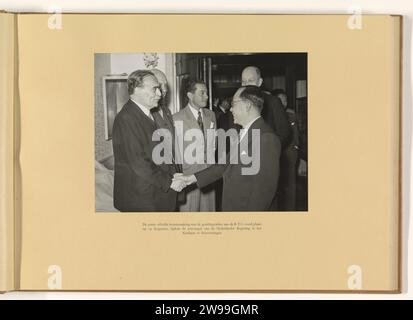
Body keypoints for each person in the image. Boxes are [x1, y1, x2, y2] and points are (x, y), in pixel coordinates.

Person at [174, 86, 281, 211]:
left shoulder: (266, 138)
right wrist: (190, 179)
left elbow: (262, 194)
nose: (230, 109)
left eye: (233, 104)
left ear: (247, 105)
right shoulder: (247, 132)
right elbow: (224, 166)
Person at [112, 70, 185, 212]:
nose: (159, 93)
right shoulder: (126, 118)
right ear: (137, 89)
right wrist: (169, 181)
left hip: (153, 195)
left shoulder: (145, 114)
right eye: (154, 89)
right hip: (141, 200)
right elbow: (138, 162)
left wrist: (173, 174)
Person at [172, 79, 217, 212]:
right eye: (202, 93)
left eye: (207, 93)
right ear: (190, 95)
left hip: (209, 175)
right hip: (188, 178)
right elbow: (176, 152)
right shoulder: (176, 118)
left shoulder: (211, 115)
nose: (207, 97)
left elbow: (213, 145)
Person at [241, 66, 291, 148]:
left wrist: (269, 148)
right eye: (243, 81)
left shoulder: (273, 101)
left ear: (260, 82)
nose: (246, 85)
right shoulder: (239, 104)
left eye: (250, 80)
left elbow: (284, 133)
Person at [273, 89, 300, 211]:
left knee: (290, 185)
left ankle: (291, 210)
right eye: (281, 100)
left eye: (286, 99)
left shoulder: (291, 115)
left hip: (289, 154)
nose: (284, 102)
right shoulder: (271, 116)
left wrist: (296, 147)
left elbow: (296, 135)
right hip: (276, 155)